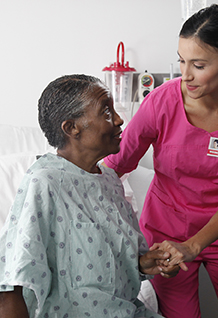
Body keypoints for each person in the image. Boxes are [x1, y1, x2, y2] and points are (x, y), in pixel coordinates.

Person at [103, 4, 218, 318]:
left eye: (198, 64)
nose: (185, 75)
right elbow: (118, 162)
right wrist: (67, 181)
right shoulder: (161, 101)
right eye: (182, 61)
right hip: (166, 236)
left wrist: (193, 246)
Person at [0, 74, 179, 318]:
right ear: (71, 128)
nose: (118, 120)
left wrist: (146, 263)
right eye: (106, 112)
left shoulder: (109, 181)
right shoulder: (44, 183)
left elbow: (108, 263)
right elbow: (10, 286)